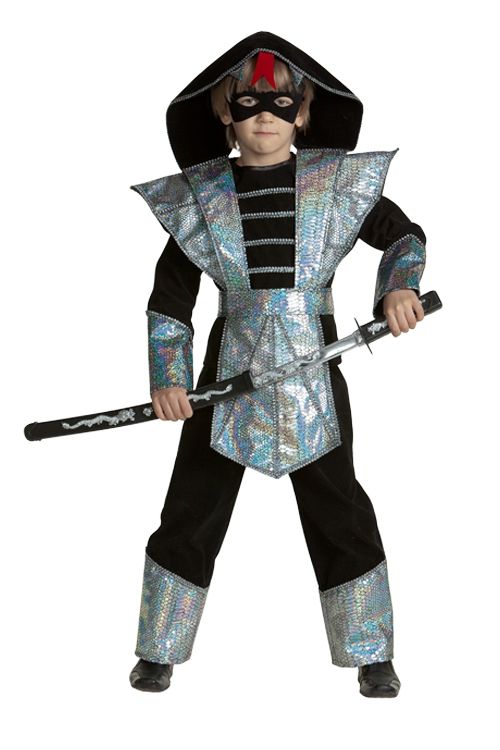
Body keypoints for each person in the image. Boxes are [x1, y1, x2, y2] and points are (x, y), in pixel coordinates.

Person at [128, 31, 426, 697]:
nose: (264, 115)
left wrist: (398, 288)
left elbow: (403, 236)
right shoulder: (200, 199)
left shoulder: (336, 185)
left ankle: (372, 654)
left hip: (313, 377)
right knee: (190, 510)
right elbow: (170, 299)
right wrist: (169, 380)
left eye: (281, 102)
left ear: (304, 111)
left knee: (340, 512)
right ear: (223, 111)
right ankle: (158, 650)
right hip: (223, 384)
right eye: (248, 102)